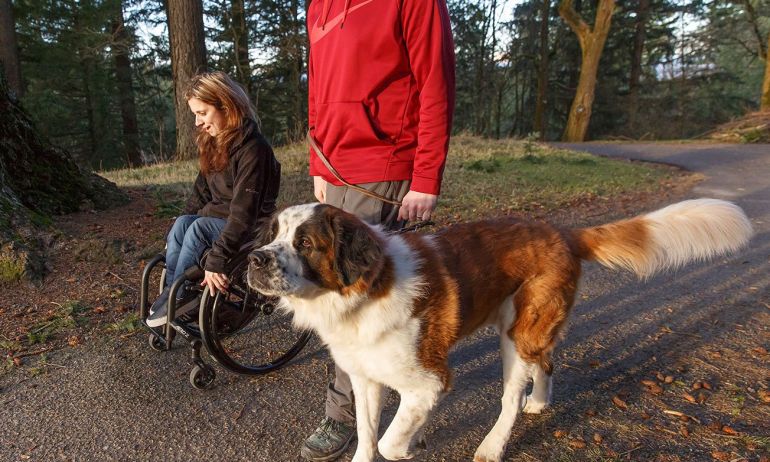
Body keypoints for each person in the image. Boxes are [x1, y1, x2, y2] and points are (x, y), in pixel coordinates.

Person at [301, 0, 455, 459]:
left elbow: (435, 83)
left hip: (384, 162)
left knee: (358, 300)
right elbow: (319, 90)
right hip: (333, 168)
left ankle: (347, 416)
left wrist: (425, 176)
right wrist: (318, 162)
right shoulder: (318, 5)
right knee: (342, 297)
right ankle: (408, 390)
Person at [146, 71, 281, 328]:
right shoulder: (214, 143)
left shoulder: (254, 149)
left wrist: (217, 260)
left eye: (202, 113)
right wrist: (176, 231)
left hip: (252, 226)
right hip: (221, 220)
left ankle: (181, 294)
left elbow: (244, 213)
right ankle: (173, 295)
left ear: (226, 106)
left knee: (198, 227)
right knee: (185, 222)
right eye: (195, 114)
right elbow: (200, 194)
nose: (197, 122)